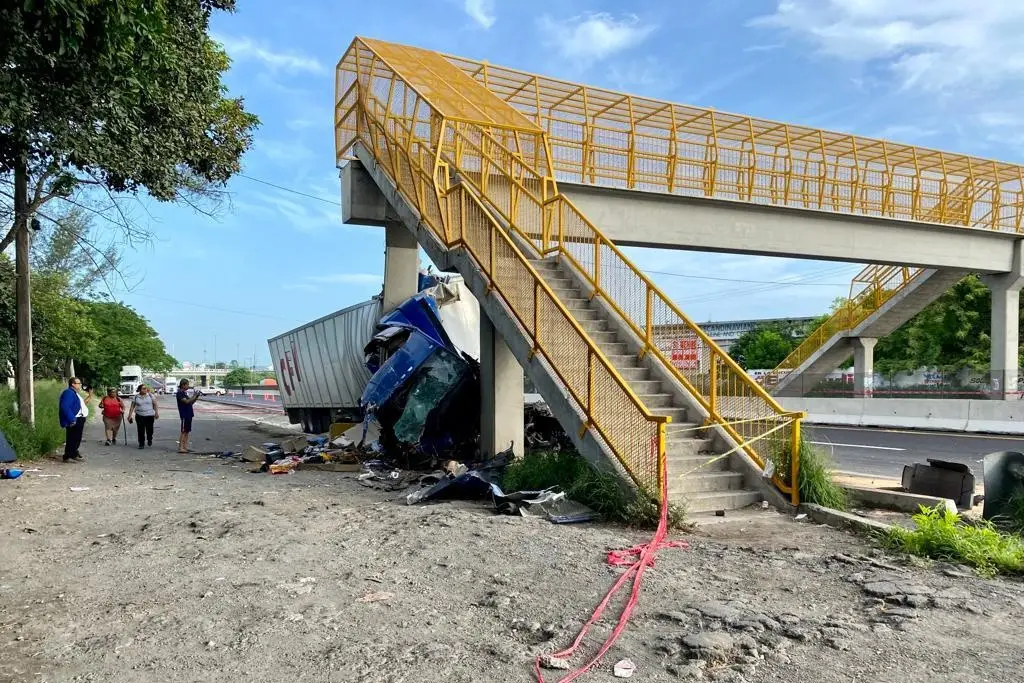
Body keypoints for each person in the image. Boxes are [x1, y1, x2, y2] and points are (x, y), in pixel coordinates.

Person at [58, 378, 93, 462]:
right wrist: (71, 418)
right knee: (71, 438)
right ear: (73, 384)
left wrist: (90, 395)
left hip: (80, 418)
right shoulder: (68, 393)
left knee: (77, 438)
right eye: (78, 383)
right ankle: (68, 456)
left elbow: (81, 405)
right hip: (74, 418)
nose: (80, 385)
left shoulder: (75, 394)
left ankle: (74, 454)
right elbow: (65, 406)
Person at [127, 384, 159, 450]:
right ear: (139, 390)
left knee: (150, 430)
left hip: (149, 415)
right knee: (140, 430)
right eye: (143, 388)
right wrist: (129, 415)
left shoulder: (150, 395)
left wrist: (156, 413)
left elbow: (155, 404)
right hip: (139, 415)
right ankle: (141, 443)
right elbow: (132, 406)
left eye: (145, 388)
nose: (145, 390)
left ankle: (149, 438)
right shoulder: (136, 397)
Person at [176, 379, 201, 453]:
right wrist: (194, 395)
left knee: (187, 431)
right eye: (187, 384)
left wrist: (196, 397)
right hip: (184, 414)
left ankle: (185, 447)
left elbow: (190, 402)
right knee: (183, 431)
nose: (188, 386)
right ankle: (181, 447)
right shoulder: (180, 393)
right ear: (183, 385)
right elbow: (187, 401)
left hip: (189, 414)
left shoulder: (184, 393)